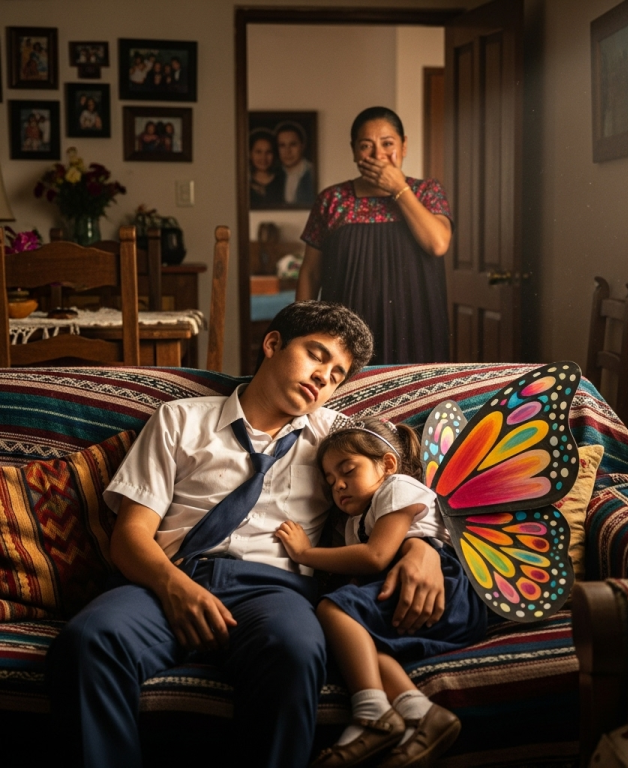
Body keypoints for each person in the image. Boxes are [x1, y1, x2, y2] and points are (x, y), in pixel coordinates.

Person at [45, 301, 447, 768]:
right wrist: (174, 588)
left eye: (336, 374)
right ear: (273, 344)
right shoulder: (179, 420)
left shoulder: (338, 439)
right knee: (88, 642)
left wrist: (423, 548)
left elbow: (401, 488)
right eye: (316, 355)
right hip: (167, 578)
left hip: (274, 590)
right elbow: (130, 535)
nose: (323, 377)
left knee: (295, 650)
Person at [276, 416, 486, 768]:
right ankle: (422, 714)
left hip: (446, 590)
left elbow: (375, 557)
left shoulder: (398, 487)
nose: (338, 486)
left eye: (348, 471)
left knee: (333, 612)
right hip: (406, 597)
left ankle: (371, 714)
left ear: (387, 464)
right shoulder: (355, 525)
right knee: (362, 644)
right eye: (330, 481)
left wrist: (303, 554)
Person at [297, 106, 453, 365]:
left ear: (404, 146)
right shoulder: (332, 199)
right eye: (366, 146)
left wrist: (398, 187)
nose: (378, 155)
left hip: (415, 326)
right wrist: (301, 330)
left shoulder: (427, 192)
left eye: (387, 144)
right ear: (354, 150)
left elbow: (438, 244)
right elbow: (310, 273)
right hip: (346, 332)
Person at [276, 121, 315, 205]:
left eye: (293, 144)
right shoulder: (274, 175)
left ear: (302, 146)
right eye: (282, 145)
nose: (287, 151)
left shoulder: (312, 173)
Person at [249, 128, 284, 208]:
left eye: (268, 152)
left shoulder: (284, 181)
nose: (263, 158)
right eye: (258, 152)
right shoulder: (245, 184)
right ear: (250, 154)